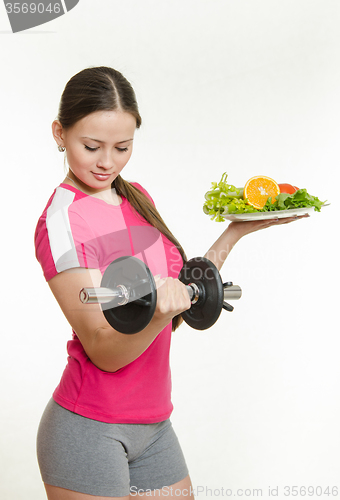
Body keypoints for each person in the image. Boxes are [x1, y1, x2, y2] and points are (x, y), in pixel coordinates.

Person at [34, 66, 306, 500]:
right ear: (59, 133)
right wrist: (161, 313)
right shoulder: (63, 222)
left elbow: (179, 288)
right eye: (91, 146)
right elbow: (104, 349)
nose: (107, 162)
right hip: (88, 427)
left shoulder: (135, 197)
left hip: (155, 424)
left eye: (123, 147)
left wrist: (235, 231)